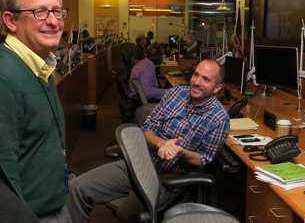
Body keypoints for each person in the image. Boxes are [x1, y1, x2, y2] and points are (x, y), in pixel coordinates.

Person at [67, 59, 229, 223]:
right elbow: (147, 129)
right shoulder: (176, 93)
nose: (196, 82)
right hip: (140, 162)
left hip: (165, 178)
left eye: (205, 79)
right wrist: (161, 143)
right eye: (196, 75)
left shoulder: (219, 118)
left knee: (126, 215)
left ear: (217, 88)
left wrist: (181, 151)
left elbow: (203, 159)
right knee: (77, 189)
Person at [0, 0, 71, 222]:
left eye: (58, 11)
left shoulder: (41, 64)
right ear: (10, 20)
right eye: (40, 12)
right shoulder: (5, 77)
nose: (54, 21)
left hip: (55, 204)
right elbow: (4, 179)